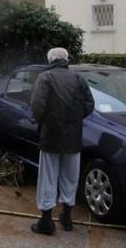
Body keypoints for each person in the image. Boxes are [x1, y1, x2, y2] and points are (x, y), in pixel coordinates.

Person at [29, 47, 95, 235]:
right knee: (70, 177)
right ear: (66, 59)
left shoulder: (45, 77)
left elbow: (37, 107)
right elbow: (89, 104)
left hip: (50, 136)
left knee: (48, 178)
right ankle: (66, 217)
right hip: (73, 136)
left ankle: (46, 221)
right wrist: (74, 118)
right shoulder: (78, 78)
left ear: (50, 60)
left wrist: (41, 122)